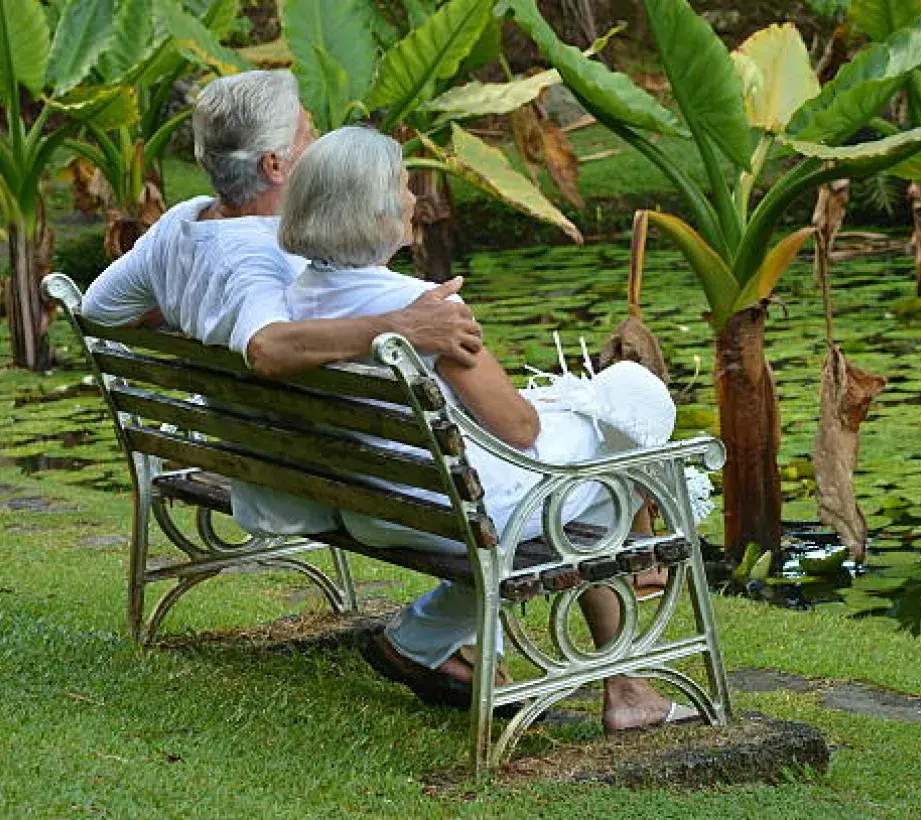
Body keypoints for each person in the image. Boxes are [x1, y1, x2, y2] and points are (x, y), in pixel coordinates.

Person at [269, 125, 695, 732]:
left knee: (603, 471)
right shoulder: (426, 308)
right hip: (450, 506)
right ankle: (627, 685)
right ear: (375, 211)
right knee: (625, 438)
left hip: (373, 502)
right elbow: (519, 429)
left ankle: (619, 684)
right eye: (403, 186)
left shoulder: (293, 302)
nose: (415, 199)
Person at [82, 70, 482, 381]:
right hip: (320, 470)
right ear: (274, 165)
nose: (322, 142)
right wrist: (400, 327)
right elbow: (266, 348)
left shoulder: (180, 222)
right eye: (310, 134)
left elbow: (98, 309)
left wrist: (196, 312)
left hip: (252, 455)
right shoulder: (267, 253)